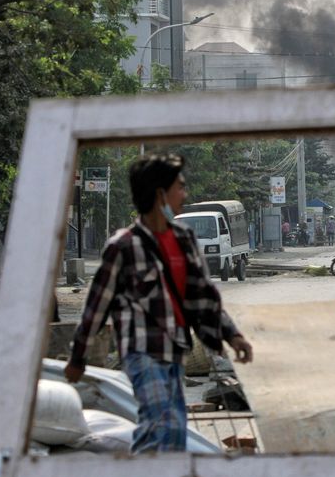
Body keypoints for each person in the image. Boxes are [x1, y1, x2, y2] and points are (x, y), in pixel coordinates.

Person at [64, 154, 253, 453]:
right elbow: (96, 306)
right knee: (159, 423)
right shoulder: (123, 246)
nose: (185, 194)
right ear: (159, 193)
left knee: (173, 431)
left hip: (175, 350)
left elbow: (204, 295)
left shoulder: (184, 238)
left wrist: (233, 335)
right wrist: (78, 357)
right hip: (141, 352)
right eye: (180, 187)